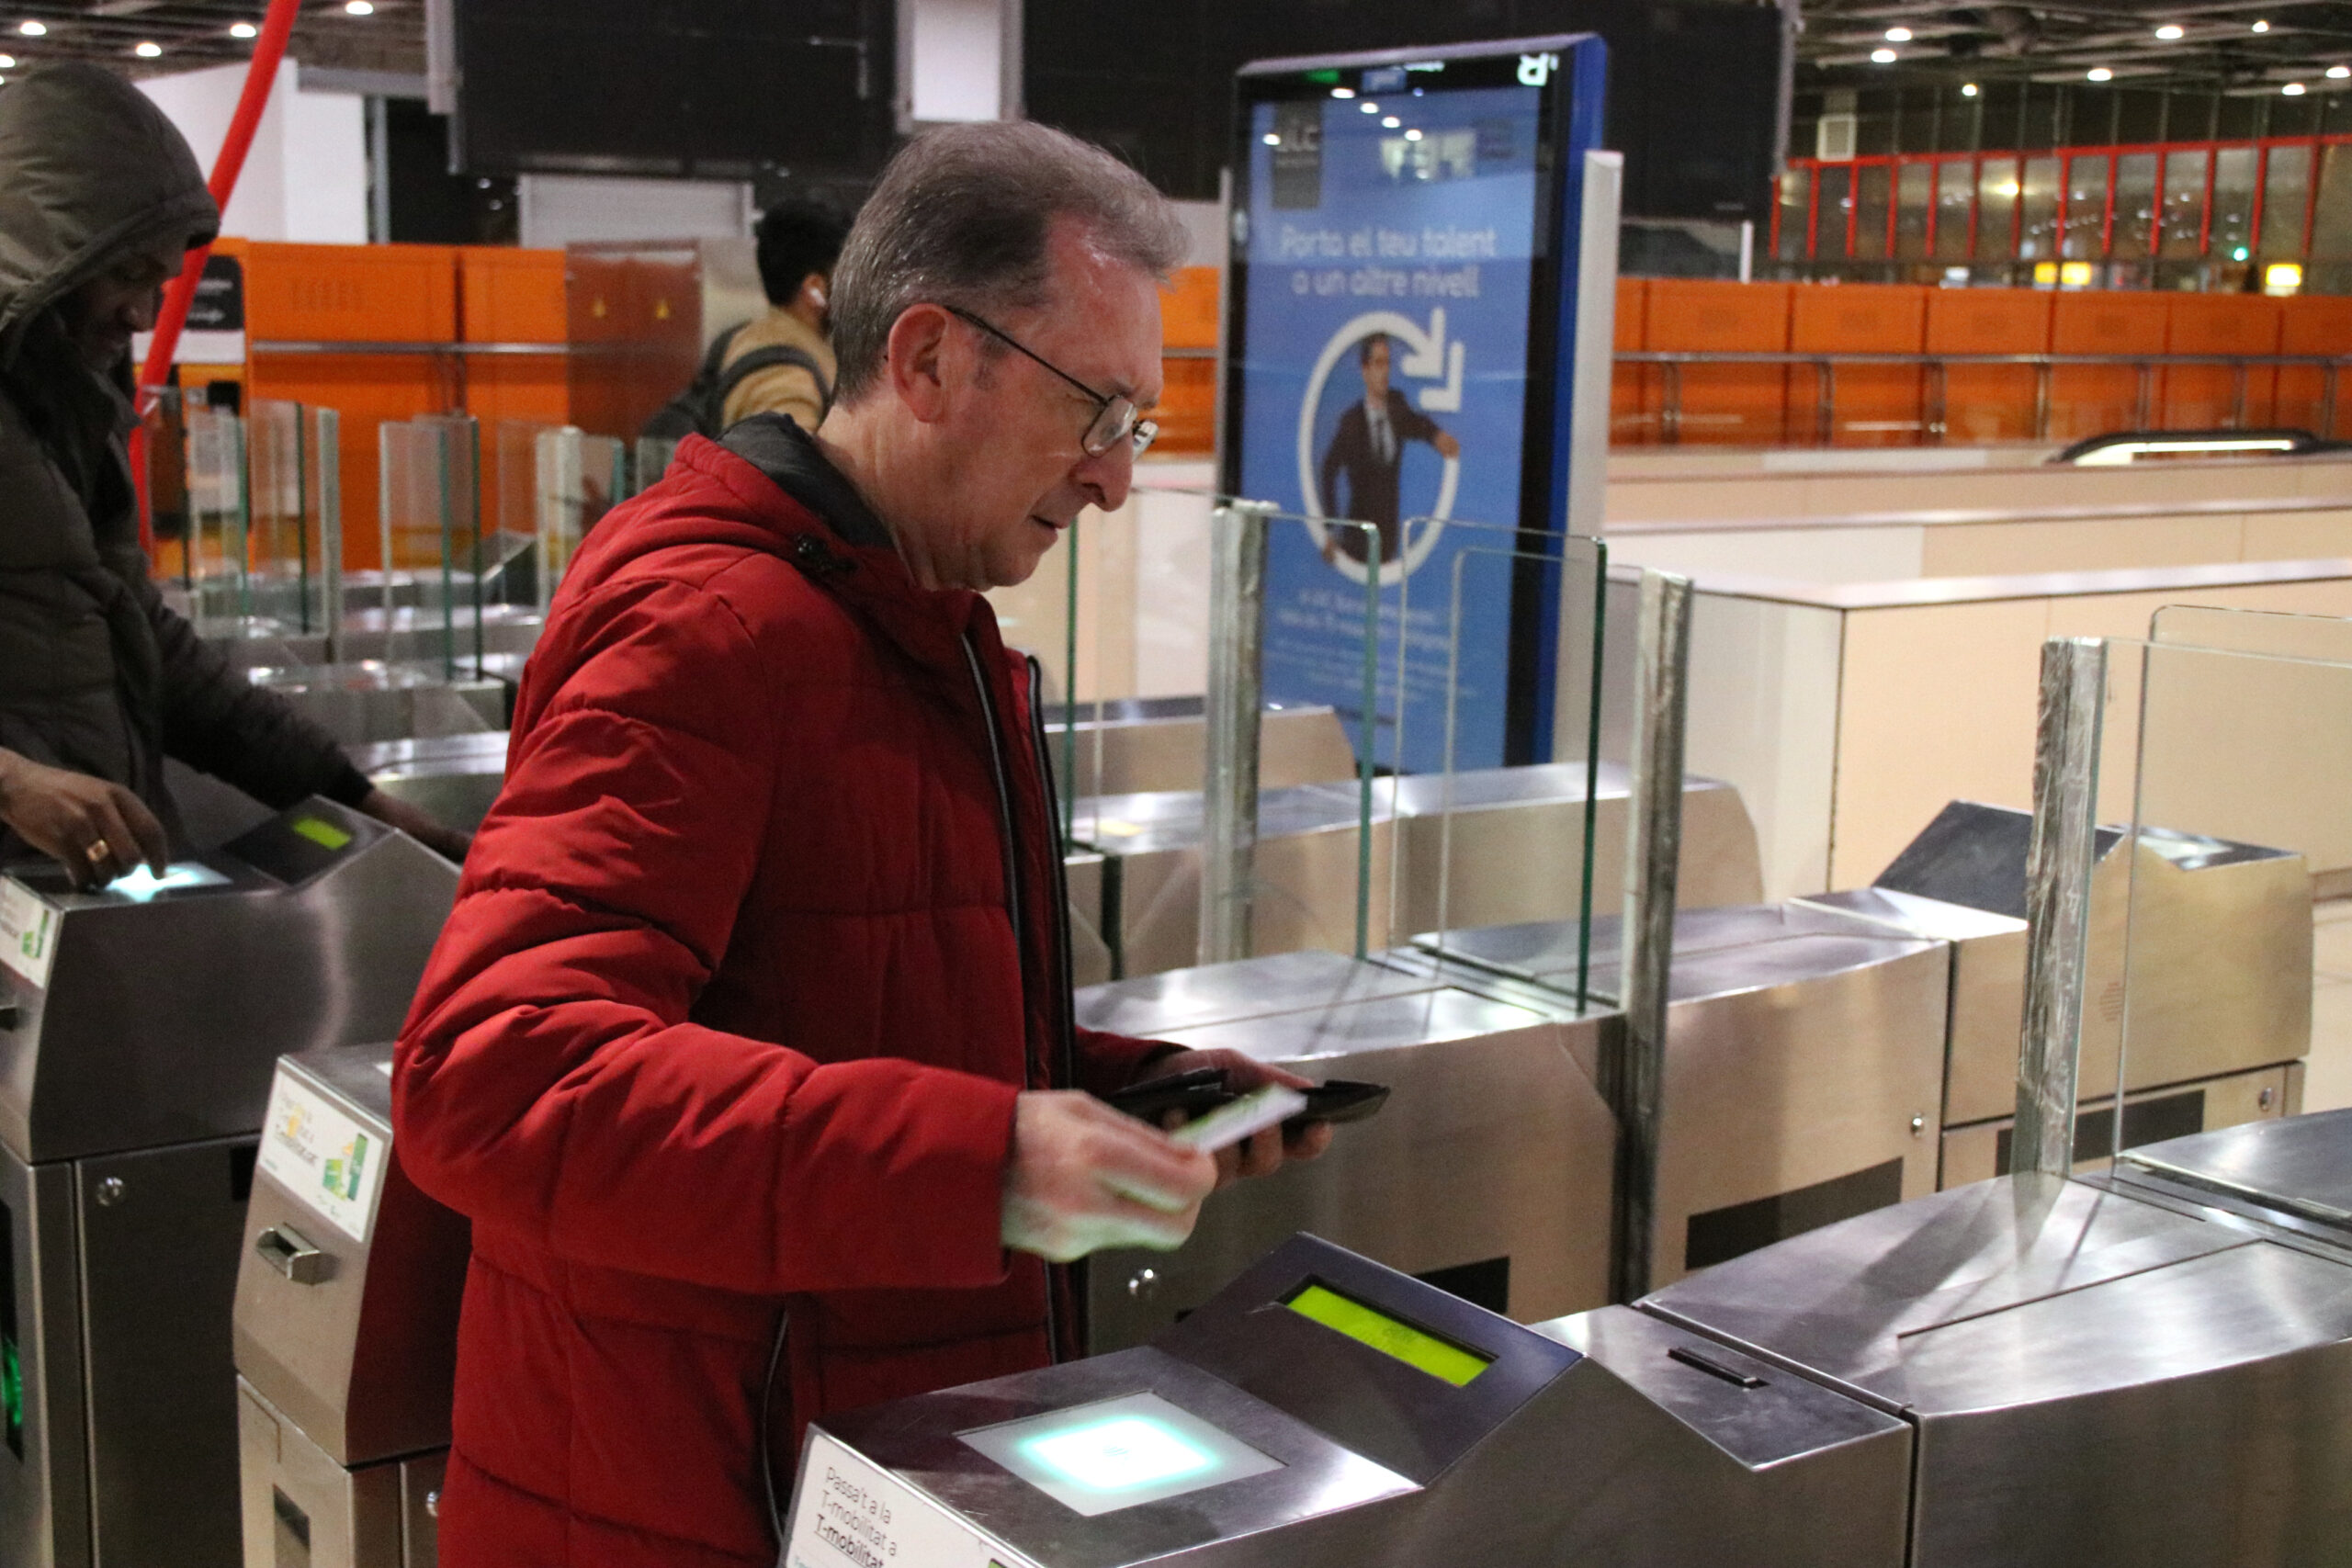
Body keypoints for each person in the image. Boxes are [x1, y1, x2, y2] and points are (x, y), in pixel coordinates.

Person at [394, 120, 1329, 1568]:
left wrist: (1107, 1094)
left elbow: (830, 1002)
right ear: (930, 359)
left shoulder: (915, 628)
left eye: (1137, 427)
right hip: (692, 1500)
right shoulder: (712, 630)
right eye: (1098, 411)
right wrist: (981, 1162)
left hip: (841, 1475)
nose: (1112, 479)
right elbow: (497, 1072)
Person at [0, 62, 468, 886]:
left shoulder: (66, 399)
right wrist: (11, 783)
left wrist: (353, 796)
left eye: (157, 280)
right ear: (40, 256)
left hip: (65, 891)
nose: (143, 314)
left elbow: (147, 642)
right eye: (125, 275)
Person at [1317, 331, 1461, 566]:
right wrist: (1331, 528)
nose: (1384, 371)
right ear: (1365, 370)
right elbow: (1328, 469)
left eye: (1387, 363)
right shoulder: (1351, 422)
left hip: (1390, 536)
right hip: (1357, 538)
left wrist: (1436, 436)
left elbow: (1416, 423)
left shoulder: (1396, 405)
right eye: (1378, 363)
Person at [718, 200, 849, 432]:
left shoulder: (764, 338)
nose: (856, 290)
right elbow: (780, 453)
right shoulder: (784, 372)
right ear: (815, 288)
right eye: (848, 275)